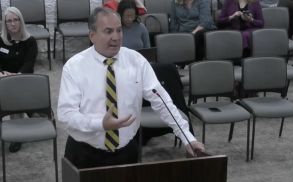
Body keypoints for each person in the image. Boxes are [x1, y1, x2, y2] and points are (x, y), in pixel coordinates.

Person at [57, 7, 205, 169]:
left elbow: (162, 101)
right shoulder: (74, 67)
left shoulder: (137, 61)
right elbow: (66, 115)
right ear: (92, 35)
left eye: (119, 30)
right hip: (84, 151)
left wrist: (187, 137)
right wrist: (100, 124)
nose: (116, 37)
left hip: (126, 151)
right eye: (108, 31)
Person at [0, 7, 38, 153]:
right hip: (3, 80)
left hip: (24, 81)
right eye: (9, 21)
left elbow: (28, 65)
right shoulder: (1, 40)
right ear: (5, 24)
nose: (13, 24)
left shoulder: (30, 42)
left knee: (17, 99)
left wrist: (13, 77)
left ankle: (16, 136)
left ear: (21, 21)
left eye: (16, 20)